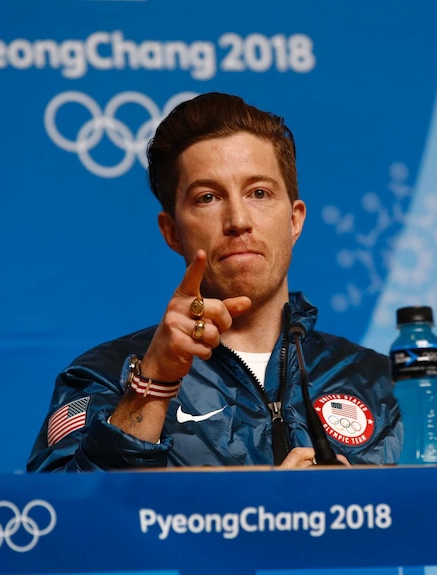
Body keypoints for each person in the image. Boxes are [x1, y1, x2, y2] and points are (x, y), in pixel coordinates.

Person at [27, 92, 402, 471]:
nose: (238, 219)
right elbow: (66, 521)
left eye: (259, 192)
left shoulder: (383, 386)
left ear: (294, 220)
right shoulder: (105, 377)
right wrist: (152, 385)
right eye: (207, 197)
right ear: (171, 231)